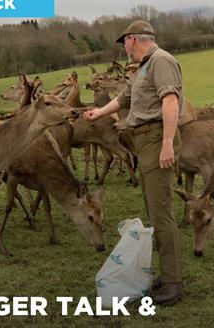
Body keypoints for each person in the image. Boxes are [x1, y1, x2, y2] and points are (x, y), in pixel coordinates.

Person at [84, 20, 184, 306]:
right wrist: (98, 113)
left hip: (155, 140)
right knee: (154, 209)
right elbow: (124, 98)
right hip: (144, 142)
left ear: (131, 39)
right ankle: (167, 275)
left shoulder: (161, 61)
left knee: (161, 211)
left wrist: (166, 144)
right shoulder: (144, 67)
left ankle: (173, 282)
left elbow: (170, 102)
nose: (124, 49)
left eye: (124, 43)